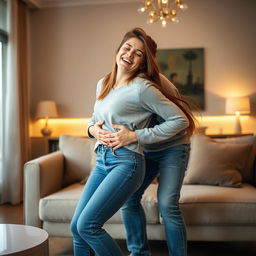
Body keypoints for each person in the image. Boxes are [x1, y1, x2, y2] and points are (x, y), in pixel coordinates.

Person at [70, 27, 192, 256]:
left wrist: (135, 136)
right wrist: (91, 130)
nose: (130, 55)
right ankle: (139, 253)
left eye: (140, 53)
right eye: (127, 48)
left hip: (170, 146)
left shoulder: (151, 85)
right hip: (128, 152)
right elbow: (97, 118)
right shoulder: (104, 83)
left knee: (167, 205)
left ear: (148, 61)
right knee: (91, 221)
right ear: (118, 49)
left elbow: (180, 120)